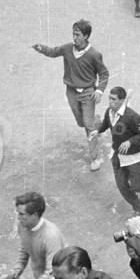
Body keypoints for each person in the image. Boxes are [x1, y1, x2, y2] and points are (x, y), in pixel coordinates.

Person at [33, 20, 109, 171]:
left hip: (88, 93)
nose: (74, 38)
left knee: (87, 126)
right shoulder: (68, 48)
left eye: (78, 34)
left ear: (86, 36)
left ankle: (95, 158)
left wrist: (99, 90)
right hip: (71, 92)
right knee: (82, 122)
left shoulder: (94, 54)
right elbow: (53, 52)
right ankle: (97, 122)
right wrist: (41, 48)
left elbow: (104, 73)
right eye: (73, 34)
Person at [91, 86, 140, 216]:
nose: (110, 102)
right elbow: (106, 124)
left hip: (133, 157)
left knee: (138, 187)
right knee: (122, 186)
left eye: (114, 99)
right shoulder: (109, 112)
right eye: (109, 98)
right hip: (117, 155)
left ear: (122, 100)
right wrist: (97, 131)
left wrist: (130, 142)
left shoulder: (132, 116)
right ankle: (138, 207)